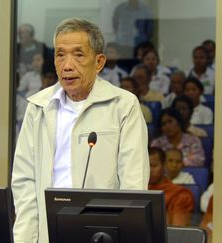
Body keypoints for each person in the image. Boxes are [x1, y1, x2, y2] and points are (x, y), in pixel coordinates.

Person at [11, 18, 149, 243]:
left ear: (99, 62)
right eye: (60, 54)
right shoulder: (38, 107)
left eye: (78, 54)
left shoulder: (123, 105)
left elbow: (133, 186)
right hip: (48, 233)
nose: (67, 65)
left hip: (103, 233)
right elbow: (24, 182)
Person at [148, 147, 194, 226]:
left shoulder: (181, 195)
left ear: (164, 165)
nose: (149, 170)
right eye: (145, 166)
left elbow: (177, 231)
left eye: (154, 165)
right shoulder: (133, 191)